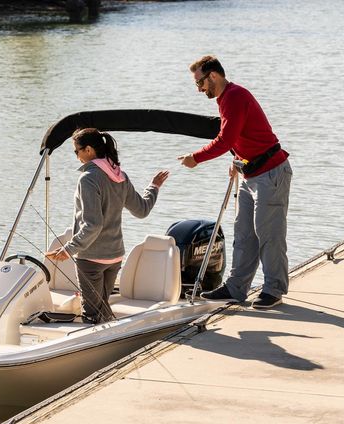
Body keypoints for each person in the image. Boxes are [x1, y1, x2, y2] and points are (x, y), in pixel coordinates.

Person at [178, 55, 292, 309]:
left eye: (200, 83)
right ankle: (236, 288)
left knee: (268, 234)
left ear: (214, 76)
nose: (199, 89)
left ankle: (274, 289)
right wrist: (237, 160)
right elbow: (241, 136)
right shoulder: (225, 98)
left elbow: (225, 140)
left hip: (271, 173)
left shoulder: (235, 96)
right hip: (250, 172)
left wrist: (196, 158)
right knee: (243, 233)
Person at [46, 128, 170, 323]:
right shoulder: (120, 176)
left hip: (91, 259)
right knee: (102, 310)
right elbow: (142, 210)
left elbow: (93, 225)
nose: (76, 156)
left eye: (76, 151)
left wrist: (68, 249)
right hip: (114, 257)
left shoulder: (88, 178)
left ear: (88, 150)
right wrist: (153, 187)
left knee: (93, 315)